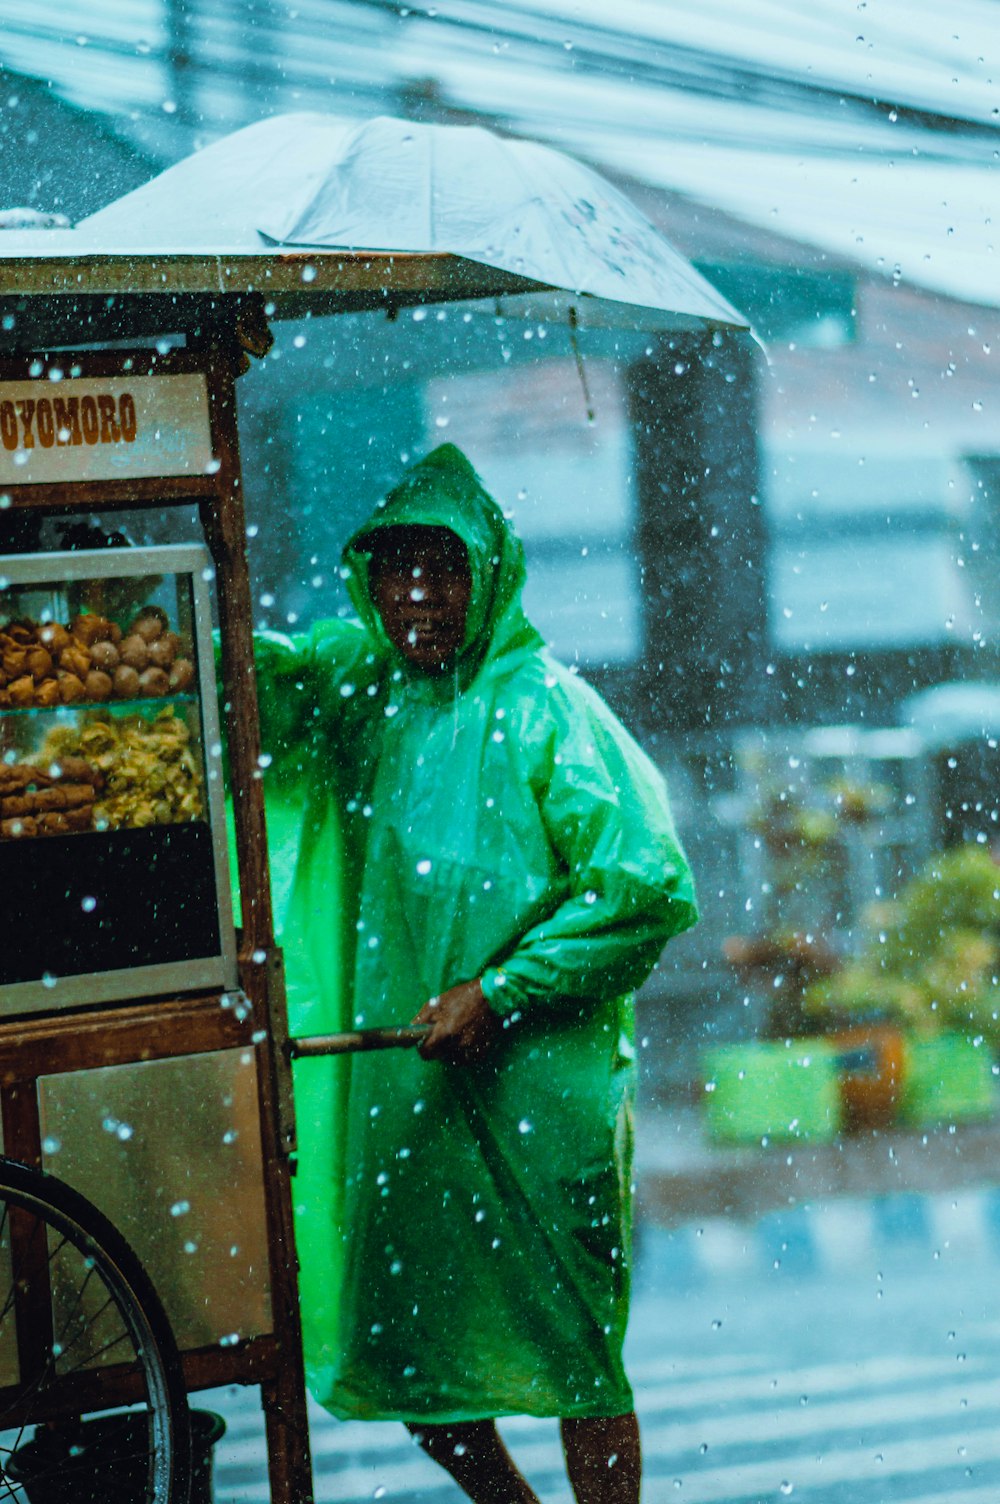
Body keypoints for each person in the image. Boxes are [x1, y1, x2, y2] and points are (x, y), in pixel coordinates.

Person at [255, 444, 697, 1503]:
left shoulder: (548, 709)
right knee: (417, 1362)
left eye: (443, 569)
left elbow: (642, 883)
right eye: (397, 569)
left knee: (579, 1358)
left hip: (541, 1101)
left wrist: (501, 992)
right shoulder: (359, 689)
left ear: (489, 573)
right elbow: (255, 680)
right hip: (409, 1094)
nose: (419, 595)